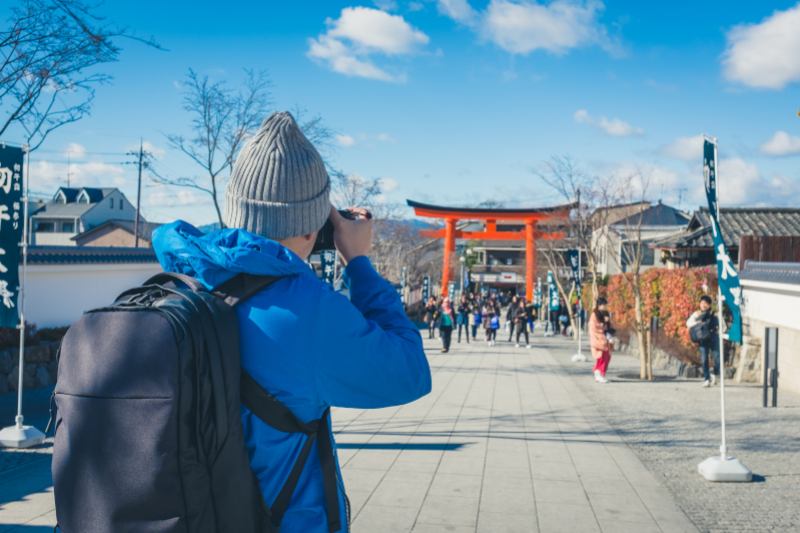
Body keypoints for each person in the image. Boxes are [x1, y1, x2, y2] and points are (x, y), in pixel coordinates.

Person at [152, 111, 431, 533]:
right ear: (312, 226)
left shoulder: (184, 278)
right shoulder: (310, 311)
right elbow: (410, 372)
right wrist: (358, 261)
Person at [687, 295, 720, 387]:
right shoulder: (697, 314)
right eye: (701, 303)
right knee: (704, 359)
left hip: (714, 339)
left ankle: (714, 373)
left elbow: (723, 326)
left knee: (717, 359)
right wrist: (696, 323)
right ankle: (706, 379)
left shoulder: (715, 314)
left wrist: (719, 329)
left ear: (709, 305)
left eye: (705, 303)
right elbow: (688, 323)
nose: (703, 305)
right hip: (703, 340)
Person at [589, 297, 613, 383]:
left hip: (606, 339)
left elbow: (609, 325)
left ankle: (597, 372)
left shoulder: (606, 314)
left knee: (607, 357)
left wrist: (609, 332)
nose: (605, 306)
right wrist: (600, 334)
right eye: (603, 304)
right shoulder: (594, 315)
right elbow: (593, 328)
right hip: (598, 339)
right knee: (601, 357)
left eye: (605, 304)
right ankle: (598, 374)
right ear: (598, 305)